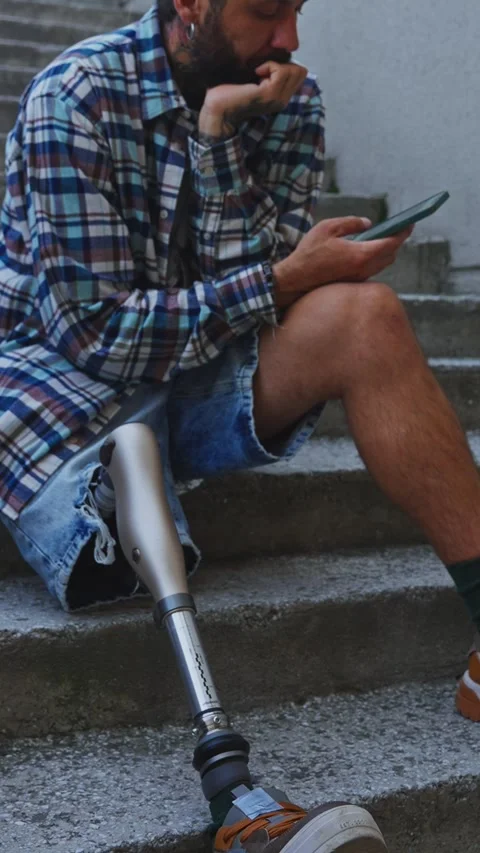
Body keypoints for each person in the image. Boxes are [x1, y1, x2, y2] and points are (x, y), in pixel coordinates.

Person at [1, 0, 480, 848]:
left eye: (298, 10)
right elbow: (97, 337)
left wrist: (218, 135)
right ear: (188, 2)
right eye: (267, 12)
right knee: (121, 477)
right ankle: (237, 799)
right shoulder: (72, 98)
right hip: (63, 380)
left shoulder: (284, 99)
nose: (291, 39)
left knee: (363, 316)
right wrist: (284, 277)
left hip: (194, 366)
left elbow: (248, 285)